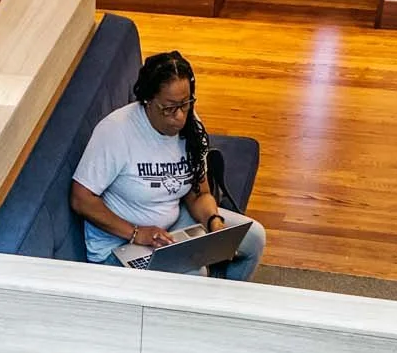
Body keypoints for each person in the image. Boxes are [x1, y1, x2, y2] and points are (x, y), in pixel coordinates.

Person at [70, 49, 267, 280]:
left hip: (171, 228)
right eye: (170, 107)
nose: (180, 116)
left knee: (254, 238)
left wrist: (214, 221)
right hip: (121, 244)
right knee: (195, 272)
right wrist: (136, 233)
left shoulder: (190, 126)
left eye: (185, 104)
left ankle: (221, 308)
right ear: (147, 101)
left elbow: (199, 193)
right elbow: (81, 198)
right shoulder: (116, 132)